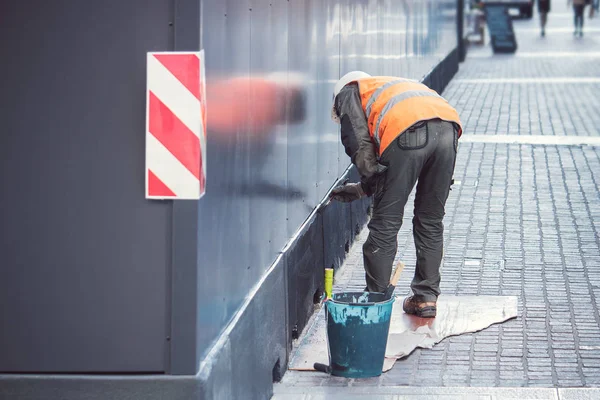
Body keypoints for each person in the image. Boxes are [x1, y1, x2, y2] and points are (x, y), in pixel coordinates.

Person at [329, 71, 462, 318]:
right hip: (448, 130)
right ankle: (425, 298)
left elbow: (359, 145)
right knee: (430, 220)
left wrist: (368, 180)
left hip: (408, 130)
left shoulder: (348, 90)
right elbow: (390, 170)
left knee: (385, 224)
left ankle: (376, 301)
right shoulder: (390, 88)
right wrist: (361, 190)